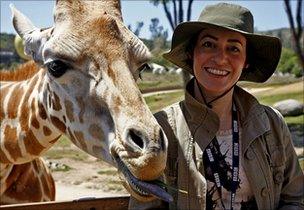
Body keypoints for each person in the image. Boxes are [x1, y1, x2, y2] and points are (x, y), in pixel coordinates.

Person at [129, 2, 304, 210]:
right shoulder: (161, 130)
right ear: (191, 52)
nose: (221, 58)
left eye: (233, 48)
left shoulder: (272, 124)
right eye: (209, 44)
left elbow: (295, 199)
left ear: (246, 61)